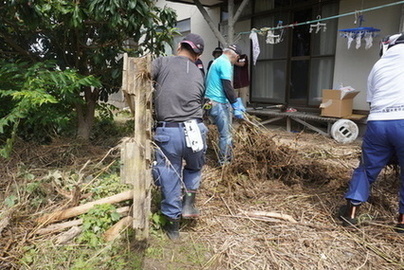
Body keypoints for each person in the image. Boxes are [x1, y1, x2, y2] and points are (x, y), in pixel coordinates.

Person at [339, 33, 404, 233]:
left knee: (367, 168)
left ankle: (351, 213)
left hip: (377, 122)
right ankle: (402, 221)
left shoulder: (378, 66)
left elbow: (371, 101)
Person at [152, 33, 208, 240]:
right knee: (194, 167)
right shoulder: (198, 72)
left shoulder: (162, 61)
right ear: (198, 55)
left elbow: (141, 75)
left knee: (169, 174)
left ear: (179, 47)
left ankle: (172, 225)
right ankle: (188, 203)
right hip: (196, 130)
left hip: (170, 131)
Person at [205, 44, 246, 166]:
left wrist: (234, 100)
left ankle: (226, 158)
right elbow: (227, 86)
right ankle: (225, 163)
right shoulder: (225, 63)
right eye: (236, 59)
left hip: (211, 101)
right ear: (236, 56)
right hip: (218, 103)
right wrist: (235, 104)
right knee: (226, 135)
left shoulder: (216, 61)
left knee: (224, 133)